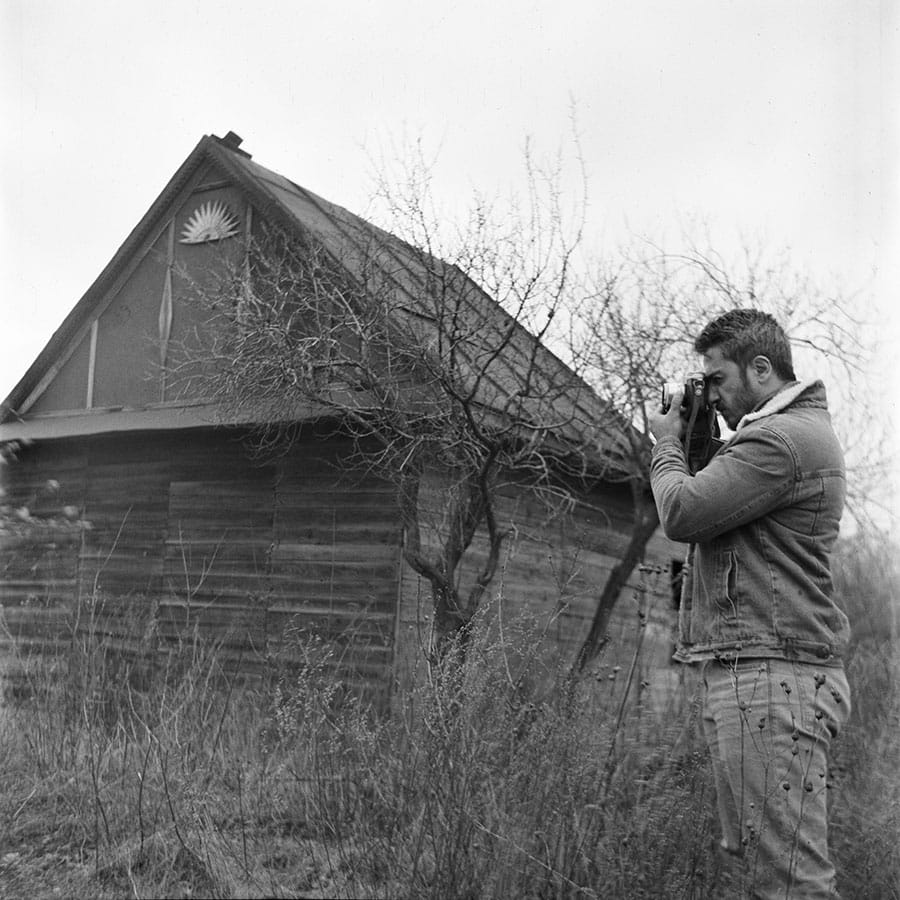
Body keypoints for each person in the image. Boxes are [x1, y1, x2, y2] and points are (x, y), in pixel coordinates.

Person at [648, 309, 851, 899]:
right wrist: (700, 442)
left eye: (717, 380)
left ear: (760, 369)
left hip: (774, 679)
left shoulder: (780, 441)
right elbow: (721, 509)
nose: (710, 393)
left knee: (792, 882)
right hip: (764, 673)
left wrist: (666, 445)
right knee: (771, 871)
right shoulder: (778, 437)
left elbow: (683, 513)